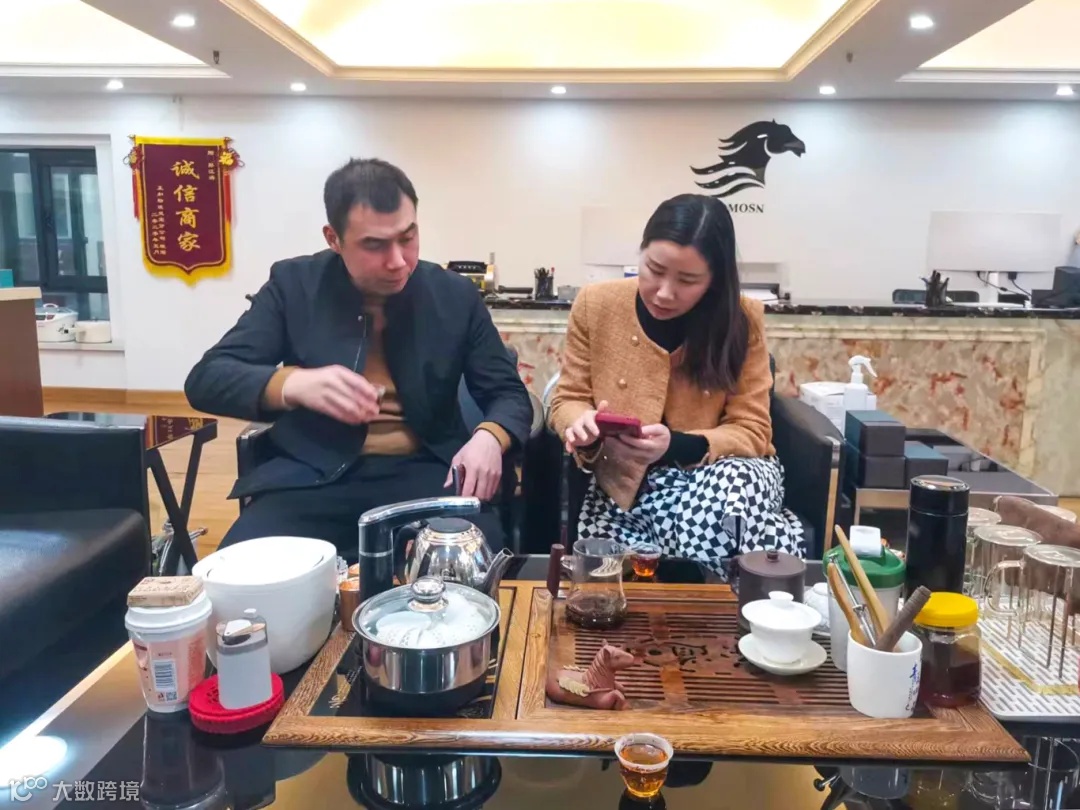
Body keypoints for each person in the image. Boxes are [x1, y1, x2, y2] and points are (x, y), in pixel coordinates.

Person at [185, 158, 532, 558]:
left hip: (427, 471)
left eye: (408, 237)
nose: (398, 260)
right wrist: (293, 384)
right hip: (311, 478)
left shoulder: (454, 295)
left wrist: (490, 437)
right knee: (240, 574)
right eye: (374, 245)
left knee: (471, 567)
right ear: (333, 238)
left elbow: (508, 393)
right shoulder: (294, 286)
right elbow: (207, 378)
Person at [548, 193, 803, 573]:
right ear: (641, 253)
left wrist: (677, 445)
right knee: (743, 534)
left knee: (726, 500)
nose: (665, 292)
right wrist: (579, 423)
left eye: (687, 280)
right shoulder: (596, 304)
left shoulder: (741, 319)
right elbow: (568, 398)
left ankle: (710, 588)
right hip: (626, 483)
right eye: (654, 269)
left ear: (714, 280)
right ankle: (748, 586)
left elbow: (752, 429)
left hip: (715, 476)